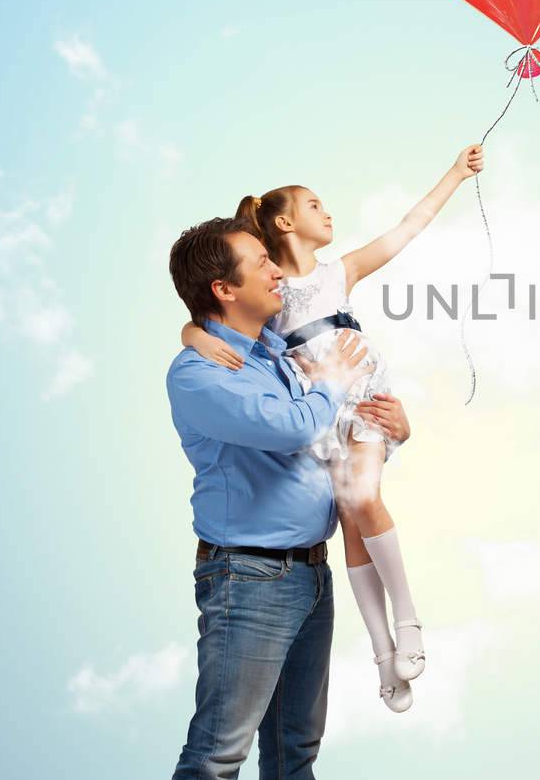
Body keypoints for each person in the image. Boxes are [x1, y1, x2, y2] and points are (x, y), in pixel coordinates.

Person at [147, 217, 412, 780]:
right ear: (223, 288)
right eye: (263, 264)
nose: (282, 275)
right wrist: (332, 377)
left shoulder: (259, 348)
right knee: (215, 760)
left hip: (309, 571)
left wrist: (397, 424)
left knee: (295, 746)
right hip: (247, 582)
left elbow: (340, 435)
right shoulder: (197, 375)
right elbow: (295, 424)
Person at [178, 145, 482, 715]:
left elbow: (409, 227)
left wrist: (456, 174)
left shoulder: (339, 272)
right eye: (314, 204)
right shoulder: (266, 296)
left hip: (364, 399)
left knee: (364, 498)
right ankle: (383, 652)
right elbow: (208, 315)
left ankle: (409, 621)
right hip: (324, 410)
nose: (329, 212)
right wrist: (191, 336)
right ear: (285, 222)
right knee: (348, 518)